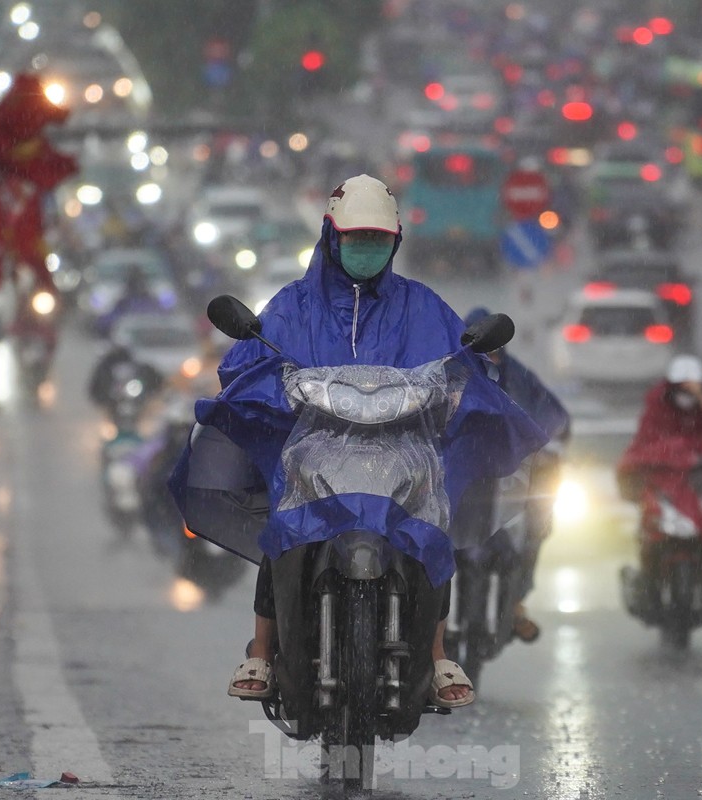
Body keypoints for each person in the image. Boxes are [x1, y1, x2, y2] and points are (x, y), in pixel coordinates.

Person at [207, 175, 543, 708]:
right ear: (332, 237)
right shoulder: (292, 306)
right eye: (356, 238)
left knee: (435, 524)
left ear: (396, 242)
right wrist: (266, 385)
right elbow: (250, 363)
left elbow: (462, 363)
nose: (366, 249)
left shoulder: (423, 306)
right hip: (313, 449)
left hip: (403, 452)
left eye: (377, 240)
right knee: (285, 524)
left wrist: (463, 384)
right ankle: (263, 650)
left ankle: (435, 656)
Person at [457, 306, 571, 643]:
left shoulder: (518, 377)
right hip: (465, 481)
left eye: (493, 346)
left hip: (510, 477)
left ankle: (517, 602)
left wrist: (546, 446)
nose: (488, 354)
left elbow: (551, 416)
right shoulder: (449, 375)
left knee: (535, 525)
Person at [617, 355, 702, 623]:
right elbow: (644, 447)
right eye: (682, 388)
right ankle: (647, 585)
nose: (687, 395)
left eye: (693, 388)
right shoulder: (657, 409)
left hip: (695, 498)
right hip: (663, 498)